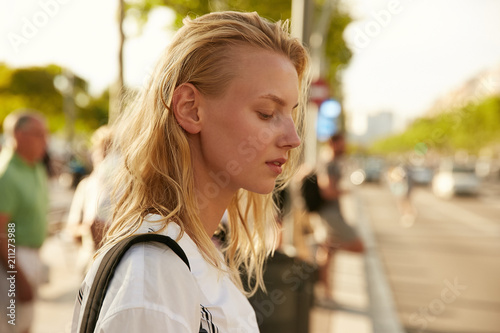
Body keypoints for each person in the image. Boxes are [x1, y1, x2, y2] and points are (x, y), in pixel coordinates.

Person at [71, 11, 310, 333]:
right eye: (266, 113)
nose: (293, 139)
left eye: (290, 113)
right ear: (190, 109)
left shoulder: (193, 253)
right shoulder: (153, 279)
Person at [0, 110, 49, 333]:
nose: (45, 141)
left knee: (25, 325)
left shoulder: (35, 166)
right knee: (13, 327)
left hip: (30, 257)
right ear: (19, 135)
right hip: (12, 262)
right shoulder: (6, 174)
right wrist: (17, 277)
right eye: (39, 134)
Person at [316, 133, 364, 302]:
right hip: (331, 213)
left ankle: (326, 291)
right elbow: (327, 191)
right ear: (333, 144)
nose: (345, 148)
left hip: (332, 212)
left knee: (328, 254)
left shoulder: (329, 161)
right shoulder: (328, 163)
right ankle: (327, 245)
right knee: (359, 246)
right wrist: (347, 190)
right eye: (342, 144)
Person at [65, 125, 115, 272]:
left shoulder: (129, 185)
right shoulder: (86, 185)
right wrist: (87, 229)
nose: (106, 157)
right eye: (102, 151)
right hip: (90, 261)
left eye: (111, 151)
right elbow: (72, 228)